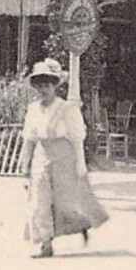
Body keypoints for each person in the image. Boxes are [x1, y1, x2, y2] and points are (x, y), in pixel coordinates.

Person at [19, 58, 107, 258]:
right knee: (39, 201)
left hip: (64, 157)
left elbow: (77, 139)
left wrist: (81, 165)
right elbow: (29, 138)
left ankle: (82, 225)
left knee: (66, 203)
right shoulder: (33, 109)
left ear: (55, 86)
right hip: (42, 157)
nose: (43, 89)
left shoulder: (67, 109)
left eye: (48, 85)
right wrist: (24, 166)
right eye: (40, 85)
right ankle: (45, 244)